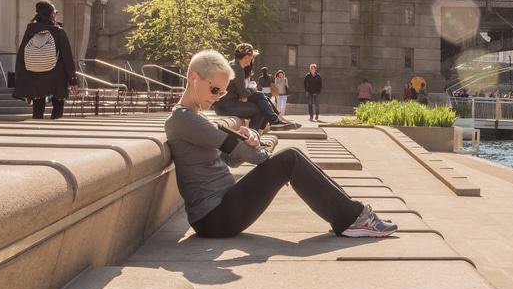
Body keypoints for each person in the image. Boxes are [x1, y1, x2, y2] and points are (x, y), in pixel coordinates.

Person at [165, 50, 396, 239]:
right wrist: (257, 148)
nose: (218, 97)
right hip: (214, 218)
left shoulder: (194, 118)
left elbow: (230, 160)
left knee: (290, 159)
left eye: (223, 91)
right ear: (193, 78)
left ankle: (351, 215)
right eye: (215, 89)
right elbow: (256, 158)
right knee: (290, 159)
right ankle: (353, 218)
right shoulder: (183, 119)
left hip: (222, 209)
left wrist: (249, 140)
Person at [13, 0, 77, 120]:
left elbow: (22, 54)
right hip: (56, 75)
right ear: (52, 14)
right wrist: (73, 80)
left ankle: (36, 132)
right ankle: (55, 132)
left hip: (34, 74)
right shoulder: (58, 31)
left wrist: (20, 76)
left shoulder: (30, 31)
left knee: (37, 106)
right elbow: (67, 57)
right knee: (58, 105)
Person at [214, 44, 295, 131]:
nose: (253, 59)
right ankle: (271, 124)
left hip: (226, 104)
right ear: (246, 56)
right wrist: (251, 90)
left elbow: (242, 93)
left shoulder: (234, 65)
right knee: (259, 108)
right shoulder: (237, 68)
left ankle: (273, 122)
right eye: (252, 56)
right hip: (226, 106)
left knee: (260, 98)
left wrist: (248, 92)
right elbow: (243, 94)